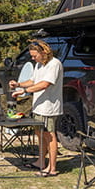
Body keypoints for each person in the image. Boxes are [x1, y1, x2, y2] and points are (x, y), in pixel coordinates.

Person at [9, 39, 64, 176]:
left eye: (35, 56)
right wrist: (19, 85)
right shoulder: (39, 65)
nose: (33, 59)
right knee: (40, 134)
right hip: (38, 106)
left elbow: (45, 84)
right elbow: (33, 81)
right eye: (32, 56)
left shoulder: (54, 64)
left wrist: (26, 91)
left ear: (43, 52)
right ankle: (41, 161)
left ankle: (52, 169)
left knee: (49, 135)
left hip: (49, 107)